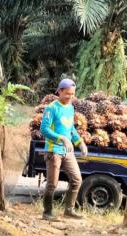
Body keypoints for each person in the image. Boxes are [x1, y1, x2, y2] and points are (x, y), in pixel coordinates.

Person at [40, 79, 88, 220]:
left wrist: (80, 143)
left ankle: (69, 210)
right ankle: (47, 212)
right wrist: (61, 138)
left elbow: (71, 128)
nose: (70, 97)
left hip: (68, 151)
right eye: (67, 94)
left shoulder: (70, 108)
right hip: (53, 150)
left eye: (72, 94)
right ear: (59, 91)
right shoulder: (51, 108)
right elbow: (44, 129)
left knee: (77, 179)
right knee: (52, 184)